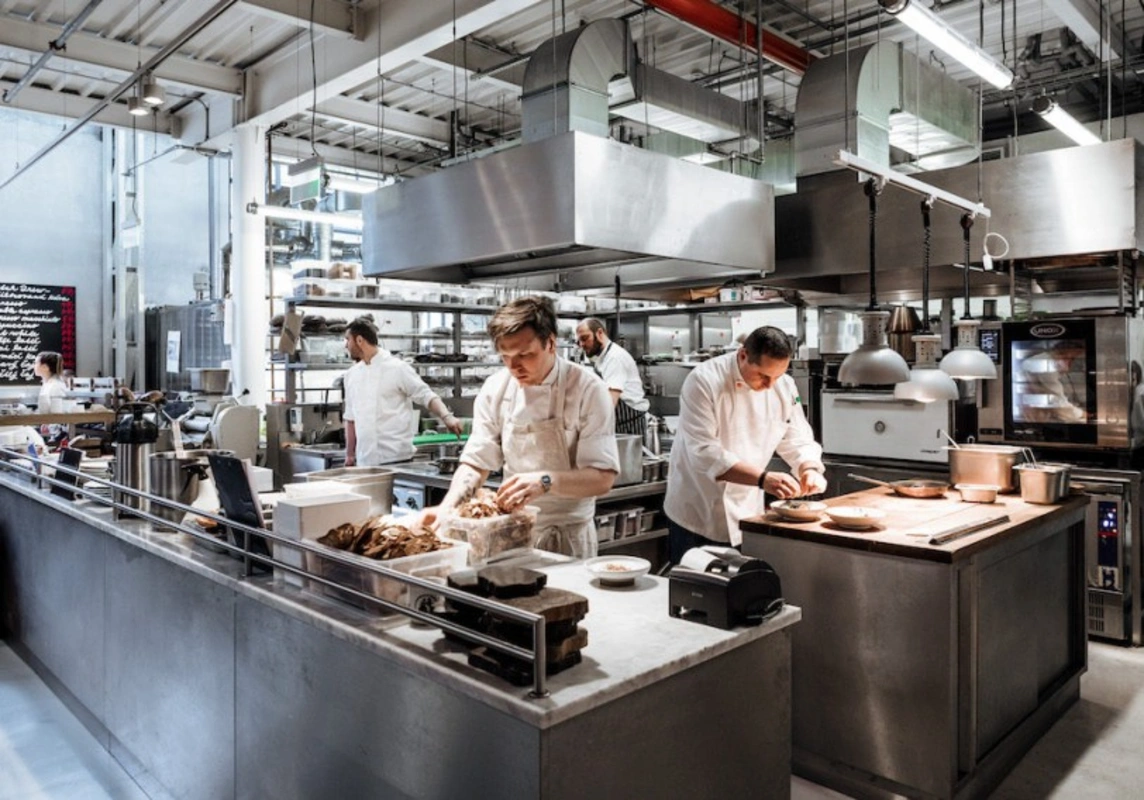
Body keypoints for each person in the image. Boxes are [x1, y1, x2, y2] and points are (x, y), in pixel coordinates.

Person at [429, 296, 620, 559]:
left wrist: (545, 481)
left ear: (550, 343)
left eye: (525, 355)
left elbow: (603, 478)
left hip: (569, 535)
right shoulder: (496, 388)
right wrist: (447, 509)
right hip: (510, 531)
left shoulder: (588, 389)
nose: (513, 366)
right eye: (505, 356)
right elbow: (476, 462)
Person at [664, 326, 826, 563]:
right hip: (698, 512)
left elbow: (795, 436)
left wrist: (808, 468)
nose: (770, 385)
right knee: (695, 584)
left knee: (744, 582)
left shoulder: (784, 385)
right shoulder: (704, 380)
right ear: (743, 356)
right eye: (763, 376)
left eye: (778, 376)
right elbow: (704, 453)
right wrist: (763, 479)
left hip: (748, 512)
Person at [342, 318, 464, 467]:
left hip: (397, 459)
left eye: (348, 339)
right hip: (365, 461)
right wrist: (349, 455)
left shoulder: (397, 368)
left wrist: (447, 417)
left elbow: (426, 395)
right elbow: (350, 418)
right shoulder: (351, 375)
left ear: (359, 340)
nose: (345, 345)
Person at [576, 317, 650, 435]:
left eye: (585, 338)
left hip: (630, 427)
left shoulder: (614, 358)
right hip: (619, 424)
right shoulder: (603, 358)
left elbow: (610, 401)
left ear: (600, 333)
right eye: (579, 341)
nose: (582, 345)